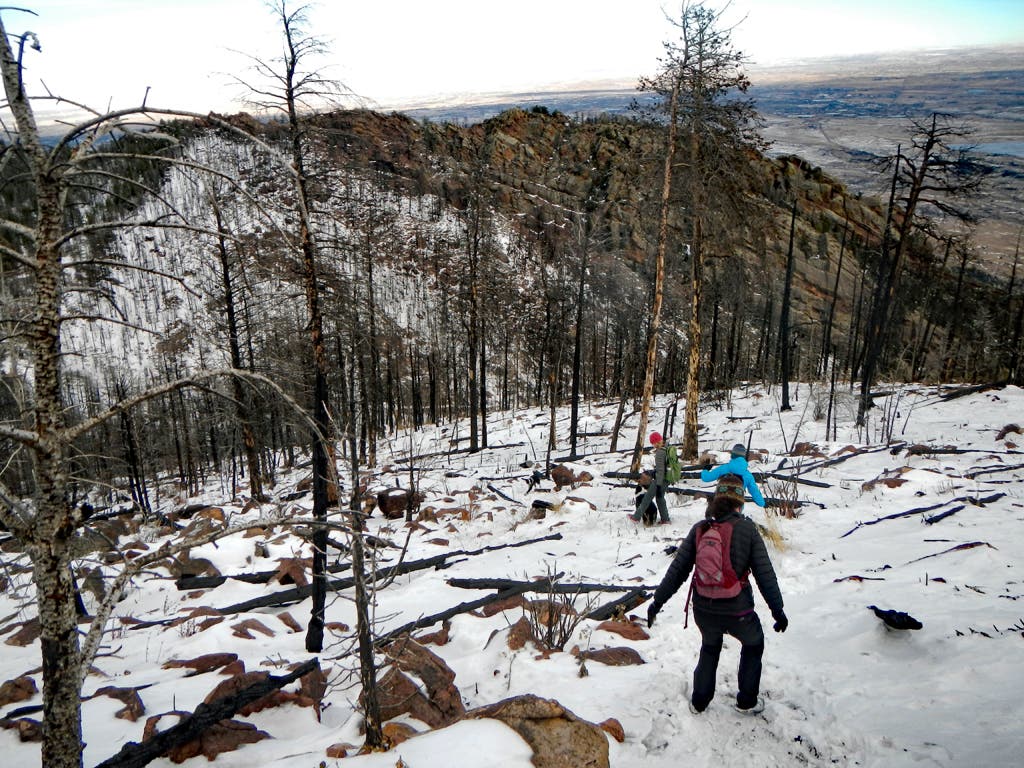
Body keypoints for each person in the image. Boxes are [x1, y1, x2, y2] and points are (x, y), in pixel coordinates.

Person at [646, 483, 787, 714]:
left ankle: (699, 701)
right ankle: (746, 702)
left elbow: (677, 570)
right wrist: (777, 611)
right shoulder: (747, 529)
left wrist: (657, 602)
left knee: (710, 647)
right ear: (739, 505)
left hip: (704, 609)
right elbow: (765, 574)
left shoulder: (700, 529)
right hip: (738, 611)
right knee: (753, 644)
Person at [701, 442, 766, 507]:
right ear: (744, 456)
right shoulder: (747, 475)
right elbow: (755, 493)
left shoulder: (724, 468)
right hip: (737, 506)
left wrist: (705, 469)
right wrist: (762, 503)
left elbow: (706, 478)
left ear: (732, 455)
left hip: (720, 503)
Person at [628, 431, 670, 525]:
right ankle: (665, 519)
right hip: (668, 478)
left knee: (647, 498)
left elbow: (660, 470)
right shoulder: (668, 448)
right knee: (660, 498)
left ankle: (636, 517)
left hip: (660, 480)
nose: (653, 445)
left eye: (653, 443)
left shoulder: (660, 453)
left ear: (656, 441)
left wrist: (658, 484)